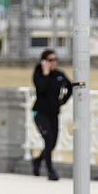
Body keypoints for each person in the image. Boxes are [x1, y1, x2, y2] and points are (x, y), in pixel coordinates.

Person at [32, 49, 73, 181]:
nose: (53, 62)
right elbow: (40, 88)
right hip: (40, 113)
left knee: (53, 143)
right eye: (50, 60)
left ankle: (37, 160)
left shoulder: (59, 74)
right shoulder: (39, 73)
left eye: (55, 60)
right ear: (44, 61)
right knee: (48, 140)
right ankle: (51, 171)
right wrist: (45, 73)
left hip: (53, 114)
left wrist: (63, 101)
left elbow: (70, 87)